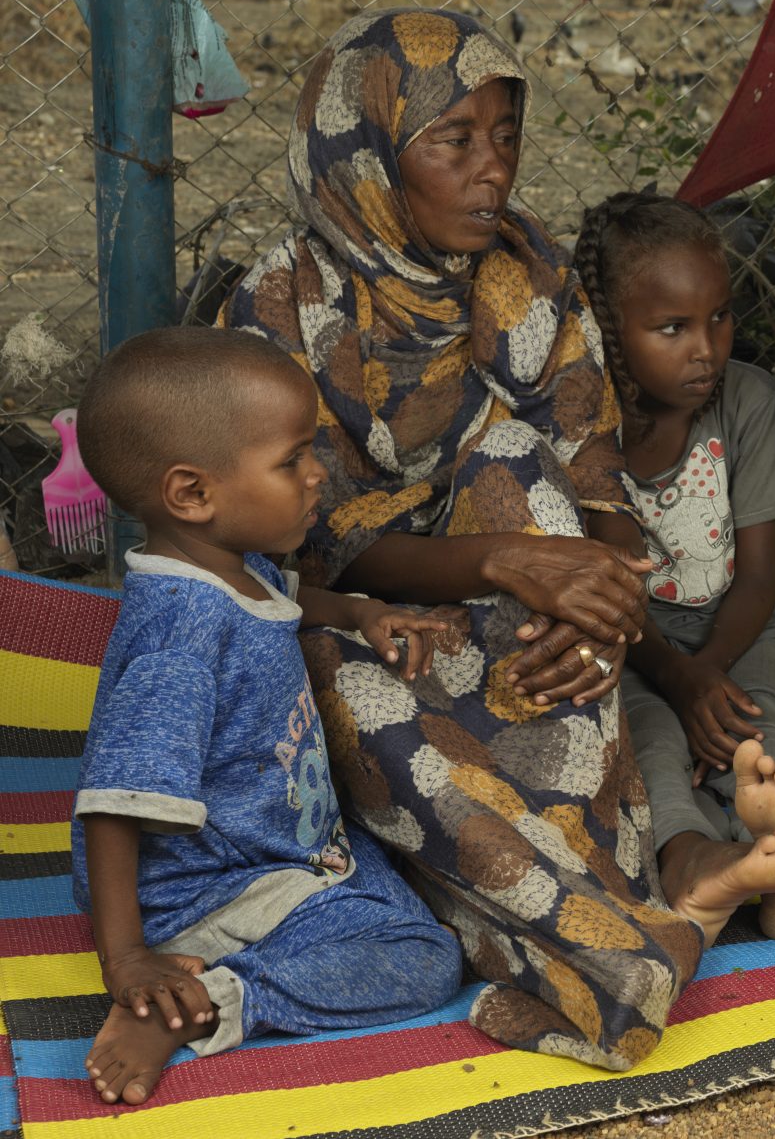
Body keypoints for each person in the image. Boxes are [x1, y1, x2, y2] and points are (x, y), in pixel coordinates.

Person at [224, 8, 775, 1072]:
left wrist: (606, 606)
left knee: (517, 469)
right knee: (370, 678)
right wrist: (509, 563)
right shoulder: (284, 303)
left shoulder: (527, 274)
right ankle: (648, 923)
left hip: (527, 641)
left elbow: (595, 486)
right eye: (452, 141)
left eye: (504, 136)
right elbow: (309, 543)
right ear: (365, 152)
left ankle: (616, 899)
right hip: (357, 633)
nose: (491, 170)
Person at [69, 328, 463, 1106]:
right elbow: (116, 803)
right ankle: (204, 1003)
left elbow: (281, 598)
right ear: (192, 493)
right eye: (292, 460)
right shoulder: (180, 635)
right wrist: (128, 957)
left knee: (429, 884)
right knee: (425, 957)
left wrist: (355, 608)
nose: (318, 474)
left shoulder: (227, 560)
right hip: (205, 891)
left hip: (282, 849)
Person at [573, 192, 775, 940]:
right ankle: (700, 859)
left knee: (762, 734)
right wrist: (680, 679)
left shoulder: (749, 402)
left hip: (743, 632)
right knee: (654, 746)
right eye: (673, 328)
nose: (707, 347)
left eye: (719, 317)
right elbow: (605, 591)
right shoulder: (581, 424)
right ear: (611, 333)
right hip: (633, 650)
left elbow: (762, 574)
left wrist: (713, 673)